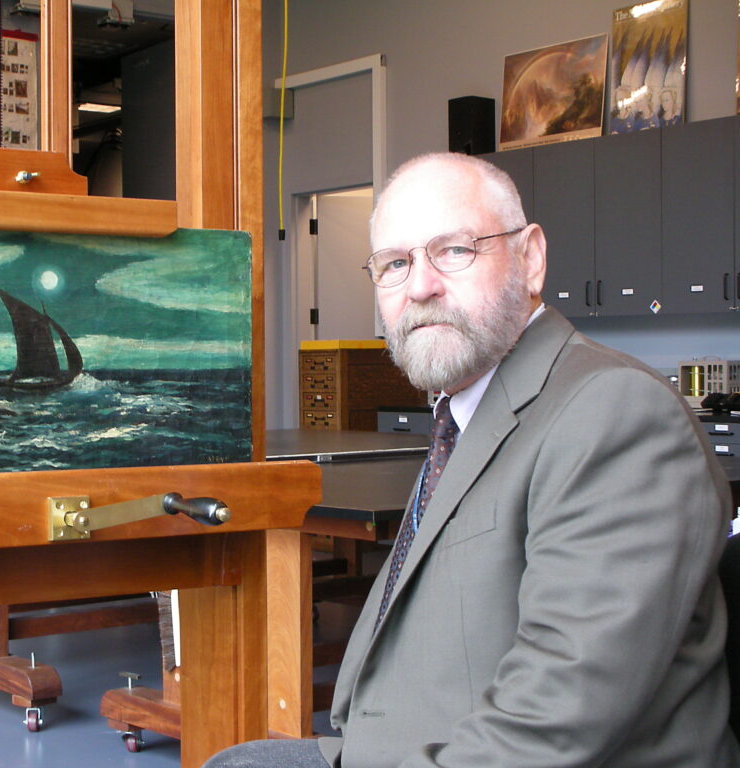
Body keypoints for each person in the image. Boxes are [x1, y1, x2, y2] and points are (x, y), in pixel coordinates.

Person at [204, 152, 738, 767]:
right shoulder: (464, 415)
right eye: (396, 264)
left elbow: (554, 721)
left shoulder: (615, 412)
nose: (421, 286)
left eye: (454, 250)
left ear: (531, 259)